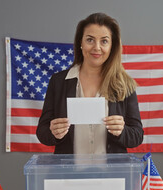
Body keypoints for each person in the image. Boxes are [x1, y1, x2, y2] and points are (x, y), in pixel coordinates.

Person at [36, 12, 144, 154]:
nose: (97, 47)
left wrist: (122, 131)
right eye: (90, 40)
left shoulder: (125, 84)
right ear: (80, 42)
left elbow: (137, 136)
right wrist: (53, 133)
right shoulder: (59, 81)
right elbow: (42, 132)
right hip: (69, 173)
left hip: (112, 174)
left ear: (112, 46)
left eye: (104, 41)